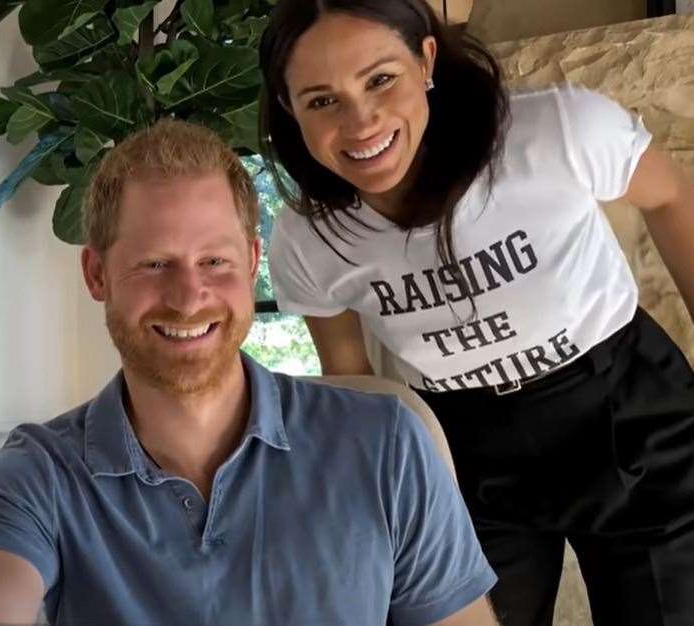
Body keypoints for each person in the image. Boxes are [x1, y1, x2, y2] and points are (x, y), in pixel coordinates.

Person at [0, 119, 498, 625]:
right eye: (154, 263)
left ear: (251, 264)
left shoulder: (387, 444)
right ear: (96, 275)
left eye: (214, 261)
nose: (188, 298)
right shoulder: (39, 474)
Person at [257, 1, 694, 624]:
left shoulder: (553, 131)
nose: (361, 121)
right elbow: (351, 380)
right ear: (287, 106)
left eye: (380, 79)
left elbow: (674, 195)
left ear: (426, 59)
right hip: (466, 457)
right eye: (321, 100)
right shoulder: (309, 238)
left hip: (623, 412)